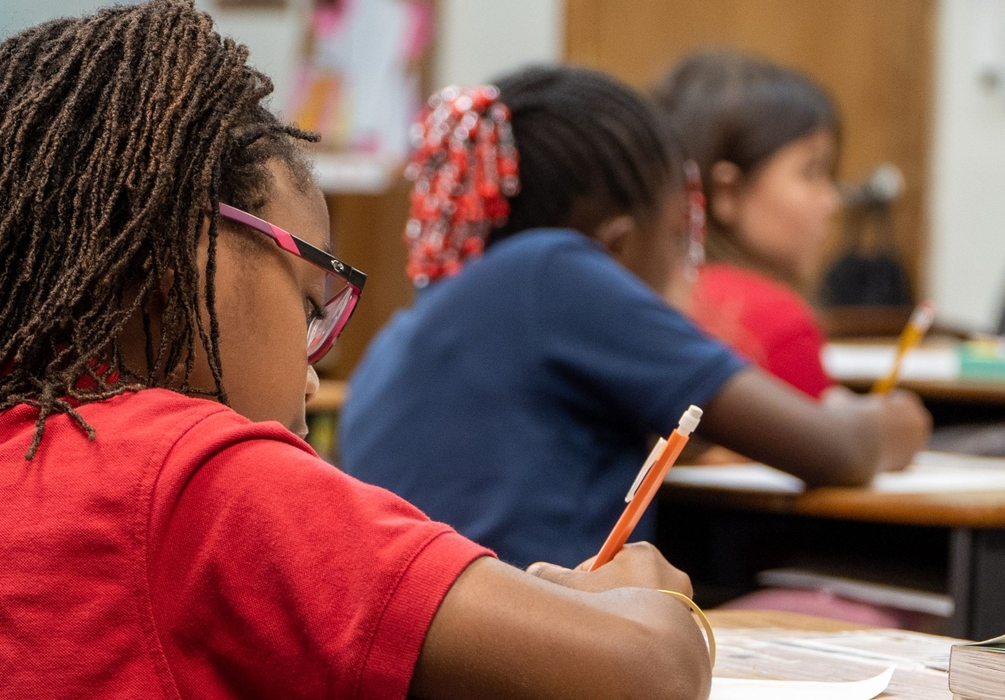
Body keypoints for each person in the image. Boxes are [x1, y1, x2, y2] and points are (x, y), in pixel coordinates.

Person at [0, 4, 713, 698]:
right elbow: (638, 678)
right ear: (177, 250)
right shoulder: (192, 476)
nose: (315, 357)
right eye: (309, 293)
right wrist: (641, 600)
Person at [340, 66, 931, 569]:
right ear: (615, 250)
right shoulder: (555, 271)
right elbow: (839, 453)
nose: (684, 272)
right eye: (678, 241)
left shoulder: (405, 334)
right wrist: (895, 418)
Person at [655, 51, 857, 398]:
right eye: (812, 172)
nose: (832, 201)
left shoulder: (637, 296)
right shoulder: (778, 322)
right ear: (727, 191)